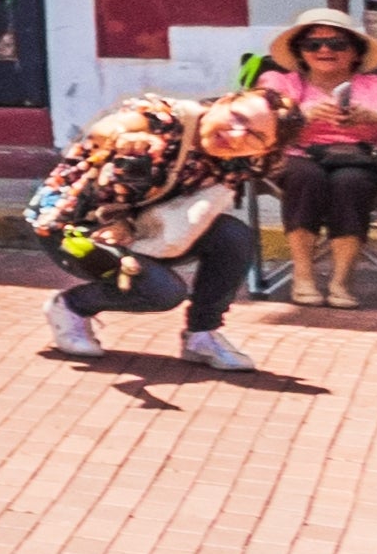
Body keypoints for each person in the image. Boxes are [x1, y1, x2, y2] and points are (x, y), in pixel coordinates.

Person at [34, 87, 281, 373]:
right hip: (77, 227)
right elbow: (108, 128)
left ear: (266, 149)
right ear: (223, 102)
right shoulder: (167, 119)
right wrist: (122, 136)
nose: (237, 134)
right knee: (163, 292)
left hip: (147, 226)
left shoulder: (245, 159)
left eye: (256, 135)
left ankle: (202, 335)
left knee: (234, 236)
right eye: (236, 117)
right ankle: (72, 306)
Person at [254, 5, 377, 304]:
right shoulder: (281, 82)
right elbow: (252, 117)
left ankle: (341, 281)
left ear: (356, 52)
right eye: (312, 44)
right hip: (296, 157)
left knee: (351, 182)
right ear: (299, 52)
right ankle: (304, 275)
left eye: (337, 43)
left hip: (360, 159)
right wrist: (301, 116)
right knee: (304, 176)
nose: (324, 50)